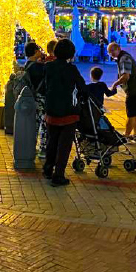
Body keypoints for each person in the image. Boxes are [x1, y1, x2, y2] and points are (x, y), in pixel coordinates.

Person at [43, 39, 86, 187]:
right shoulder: (71, 69)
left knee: (52, 141)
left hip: (51, 110)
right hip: (68, 112)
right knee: (64, 145)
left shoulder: (48, 67)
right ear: (70, 54)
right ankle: (59, 175)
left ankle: (48, 168)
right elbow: (82, 87)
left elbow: (44, 86)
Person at [107, 41, 136, 142]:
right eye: (109, 52)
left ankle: (126, 136)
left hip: (135, 90)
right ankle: (135, 135)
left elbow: (126, 76)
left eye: (113, 50)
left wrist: (115, 84)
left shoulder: (124, 58)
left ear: (118, 49)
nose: (111, 53)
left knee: (131, 114)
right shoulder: (124, 57)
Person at [24, 42, 47, 157]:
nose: (40, 51)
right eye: (38, 50)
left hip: (31, 98)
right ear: (34, 52)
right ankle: (43, 148)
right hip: (40, 98)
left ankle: (31, 148)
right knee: (44, 123)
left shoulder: (27, 65)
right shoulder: (38, 67)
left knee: (34, 124)